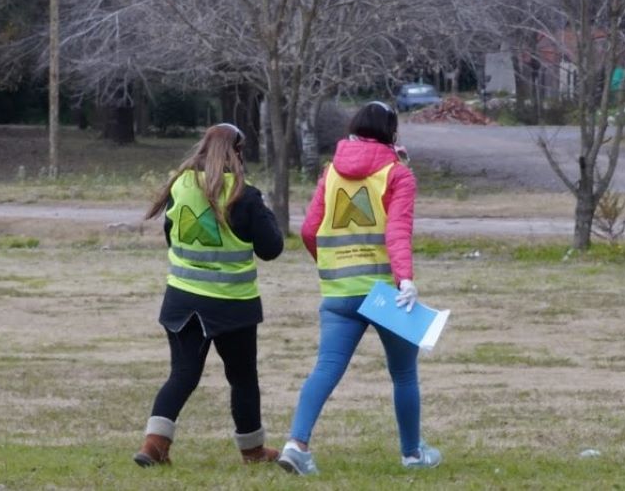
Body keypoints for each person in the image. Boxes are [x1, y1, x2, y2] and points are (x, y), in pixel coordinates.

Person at [277, 101, 441, 476]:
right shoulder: (398, 175)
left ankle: (296, 444)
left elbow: (309, 229)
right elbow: (397, 231)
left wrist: (331, 264)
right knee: (404, 374)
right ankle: (412, 454)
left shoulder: (330, 172)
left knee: (325, 369)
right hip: (385, 294)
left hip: (338, 291)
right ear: (392, 133)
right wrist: (406, 279)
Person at [134, 123, 284, 467]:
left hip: (181, 299)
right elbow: (271, 248)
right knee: (243, 378)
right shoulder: (244, 194)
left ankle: (154, 445)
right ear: (238, 152)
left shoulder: (181, 184)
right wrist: (263, 210)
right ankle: (253, 451)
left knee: (183, 374)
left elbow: (172, 235)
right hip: (232, 305)